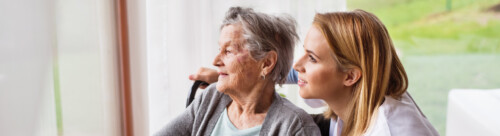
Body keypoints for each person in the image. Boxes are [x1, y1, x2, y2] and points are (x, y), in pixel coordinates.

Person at [189, 9, 439, 136]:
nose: (298, 65)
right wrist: (237, 74)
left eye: (311, 58)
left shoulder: (394, 129)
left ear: (350, 76)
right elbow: (298, 73)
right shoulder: (353, 93)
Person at [155, 7, 321, 136]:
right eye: (220, 48)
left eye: (228, 51)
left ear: (266, 63)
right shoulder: (212, 98)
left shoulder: (294, 126)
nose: (215, 61)